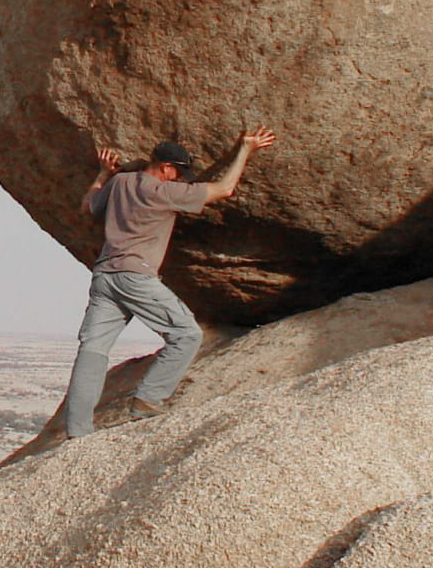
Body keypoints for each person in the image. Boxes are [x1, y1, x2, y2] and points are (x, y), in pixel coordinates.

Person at [60, 128, 278, 441]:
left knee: (92, 349)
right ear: (165, 168)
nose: (179, 179)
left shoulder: (120, 182)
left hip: (105, 277)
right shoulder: (164, 193)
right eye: (177, 173)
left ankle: (78, 432)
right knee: (187, 334)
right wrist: (246, 149)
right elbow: (225, 189)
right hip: (136, 276)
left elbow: (88, 207)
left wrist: (103, 173)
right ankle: (148, 400)